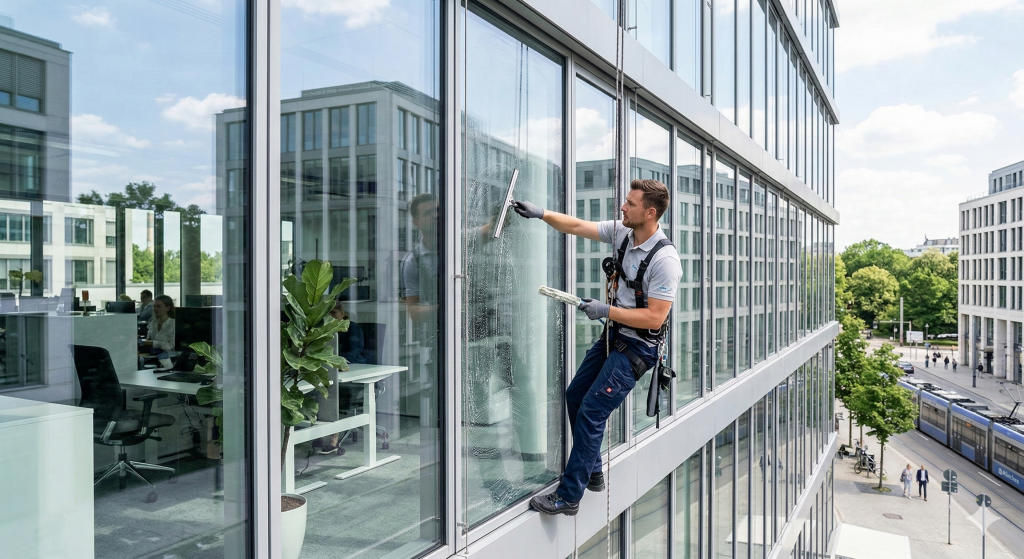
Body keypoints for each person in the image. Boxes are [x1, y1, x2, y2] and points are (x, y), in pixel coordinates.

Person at [514, 179, 682, 516]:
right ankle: (592, 470)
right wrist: (540, 213)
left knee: (592, 411)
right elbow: (577, 225)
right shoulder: (623, 232)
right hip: (614, 336)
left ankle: (569, 496)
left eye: (630, 204)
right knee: (576, 396)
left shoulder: (665, 260)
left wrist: (605, 310)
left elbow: (653, 317)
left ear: (649, 213)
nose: (622, 207)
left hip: (638, 349)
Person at [140, 294, 175, 369]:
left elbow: (171, 346)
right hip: (154, 357)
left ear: (167, 308)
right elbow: (148, 338)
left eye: (158, 306)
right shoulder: (153, 323)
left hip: (169, 361)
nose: (155, 309)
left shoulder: (173, 325)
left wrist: (153, 343)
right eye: (154, 306)